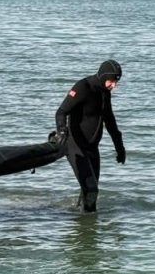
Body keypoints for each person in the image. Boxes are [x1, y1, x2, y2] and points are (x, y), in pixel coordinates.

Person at [54, 59, 126, 213]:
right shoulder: (83, 87)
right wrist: (61, 130)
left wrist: (120, 148)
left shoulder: (104, 93)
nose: (114, 86)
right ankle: (87, 227)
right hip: (75, 146)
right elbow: (61, 112)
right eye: (112, 81)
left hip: (92, 148)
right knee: (91, 190)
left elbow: (110, 122)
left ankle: (81, 220)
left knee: (89, 191)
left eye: (116, 82)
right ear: (103, 76)